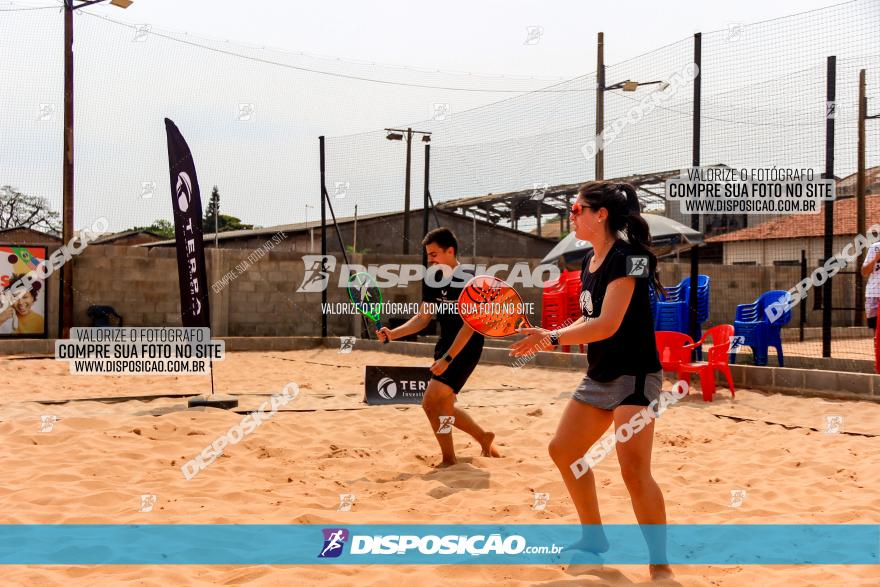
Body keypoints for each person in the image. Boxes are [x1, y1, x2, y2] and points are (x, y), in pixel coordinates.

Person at [510, 181, 673, 581]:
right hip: (600, 375)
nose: (571, 216)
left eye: (577, 209)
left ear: (600, 214)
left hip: (635, 375)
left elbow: (608, 323)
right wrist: (547, 334)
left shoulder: (633, 258)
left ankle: (660, 565)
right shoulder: (589, 262)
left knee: (634, 472)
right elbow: (588, 320)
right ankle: (594, 537)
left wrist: (552, 337)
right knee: (563, 450)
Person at [377, 227, 500, 466]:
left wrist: (448, 359)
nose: (429, 259)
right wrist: (393, 334)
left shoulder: (472, 281)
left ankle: (448, 459)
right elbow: (423, 318)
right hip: (444, 344)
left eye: (433, 254)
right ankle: (482, 437)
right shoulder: (432, 280)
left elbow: (469, 327)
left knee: (430, 402)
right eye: (428, 255)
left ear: (450, 251)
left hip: (466, 346)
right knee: (444, 405)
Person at [861, 240, 880, 330]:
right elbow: (864, 272)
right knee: (876, 330)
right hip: (874, 294)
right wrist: (875, 259)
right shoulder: (875, 247)